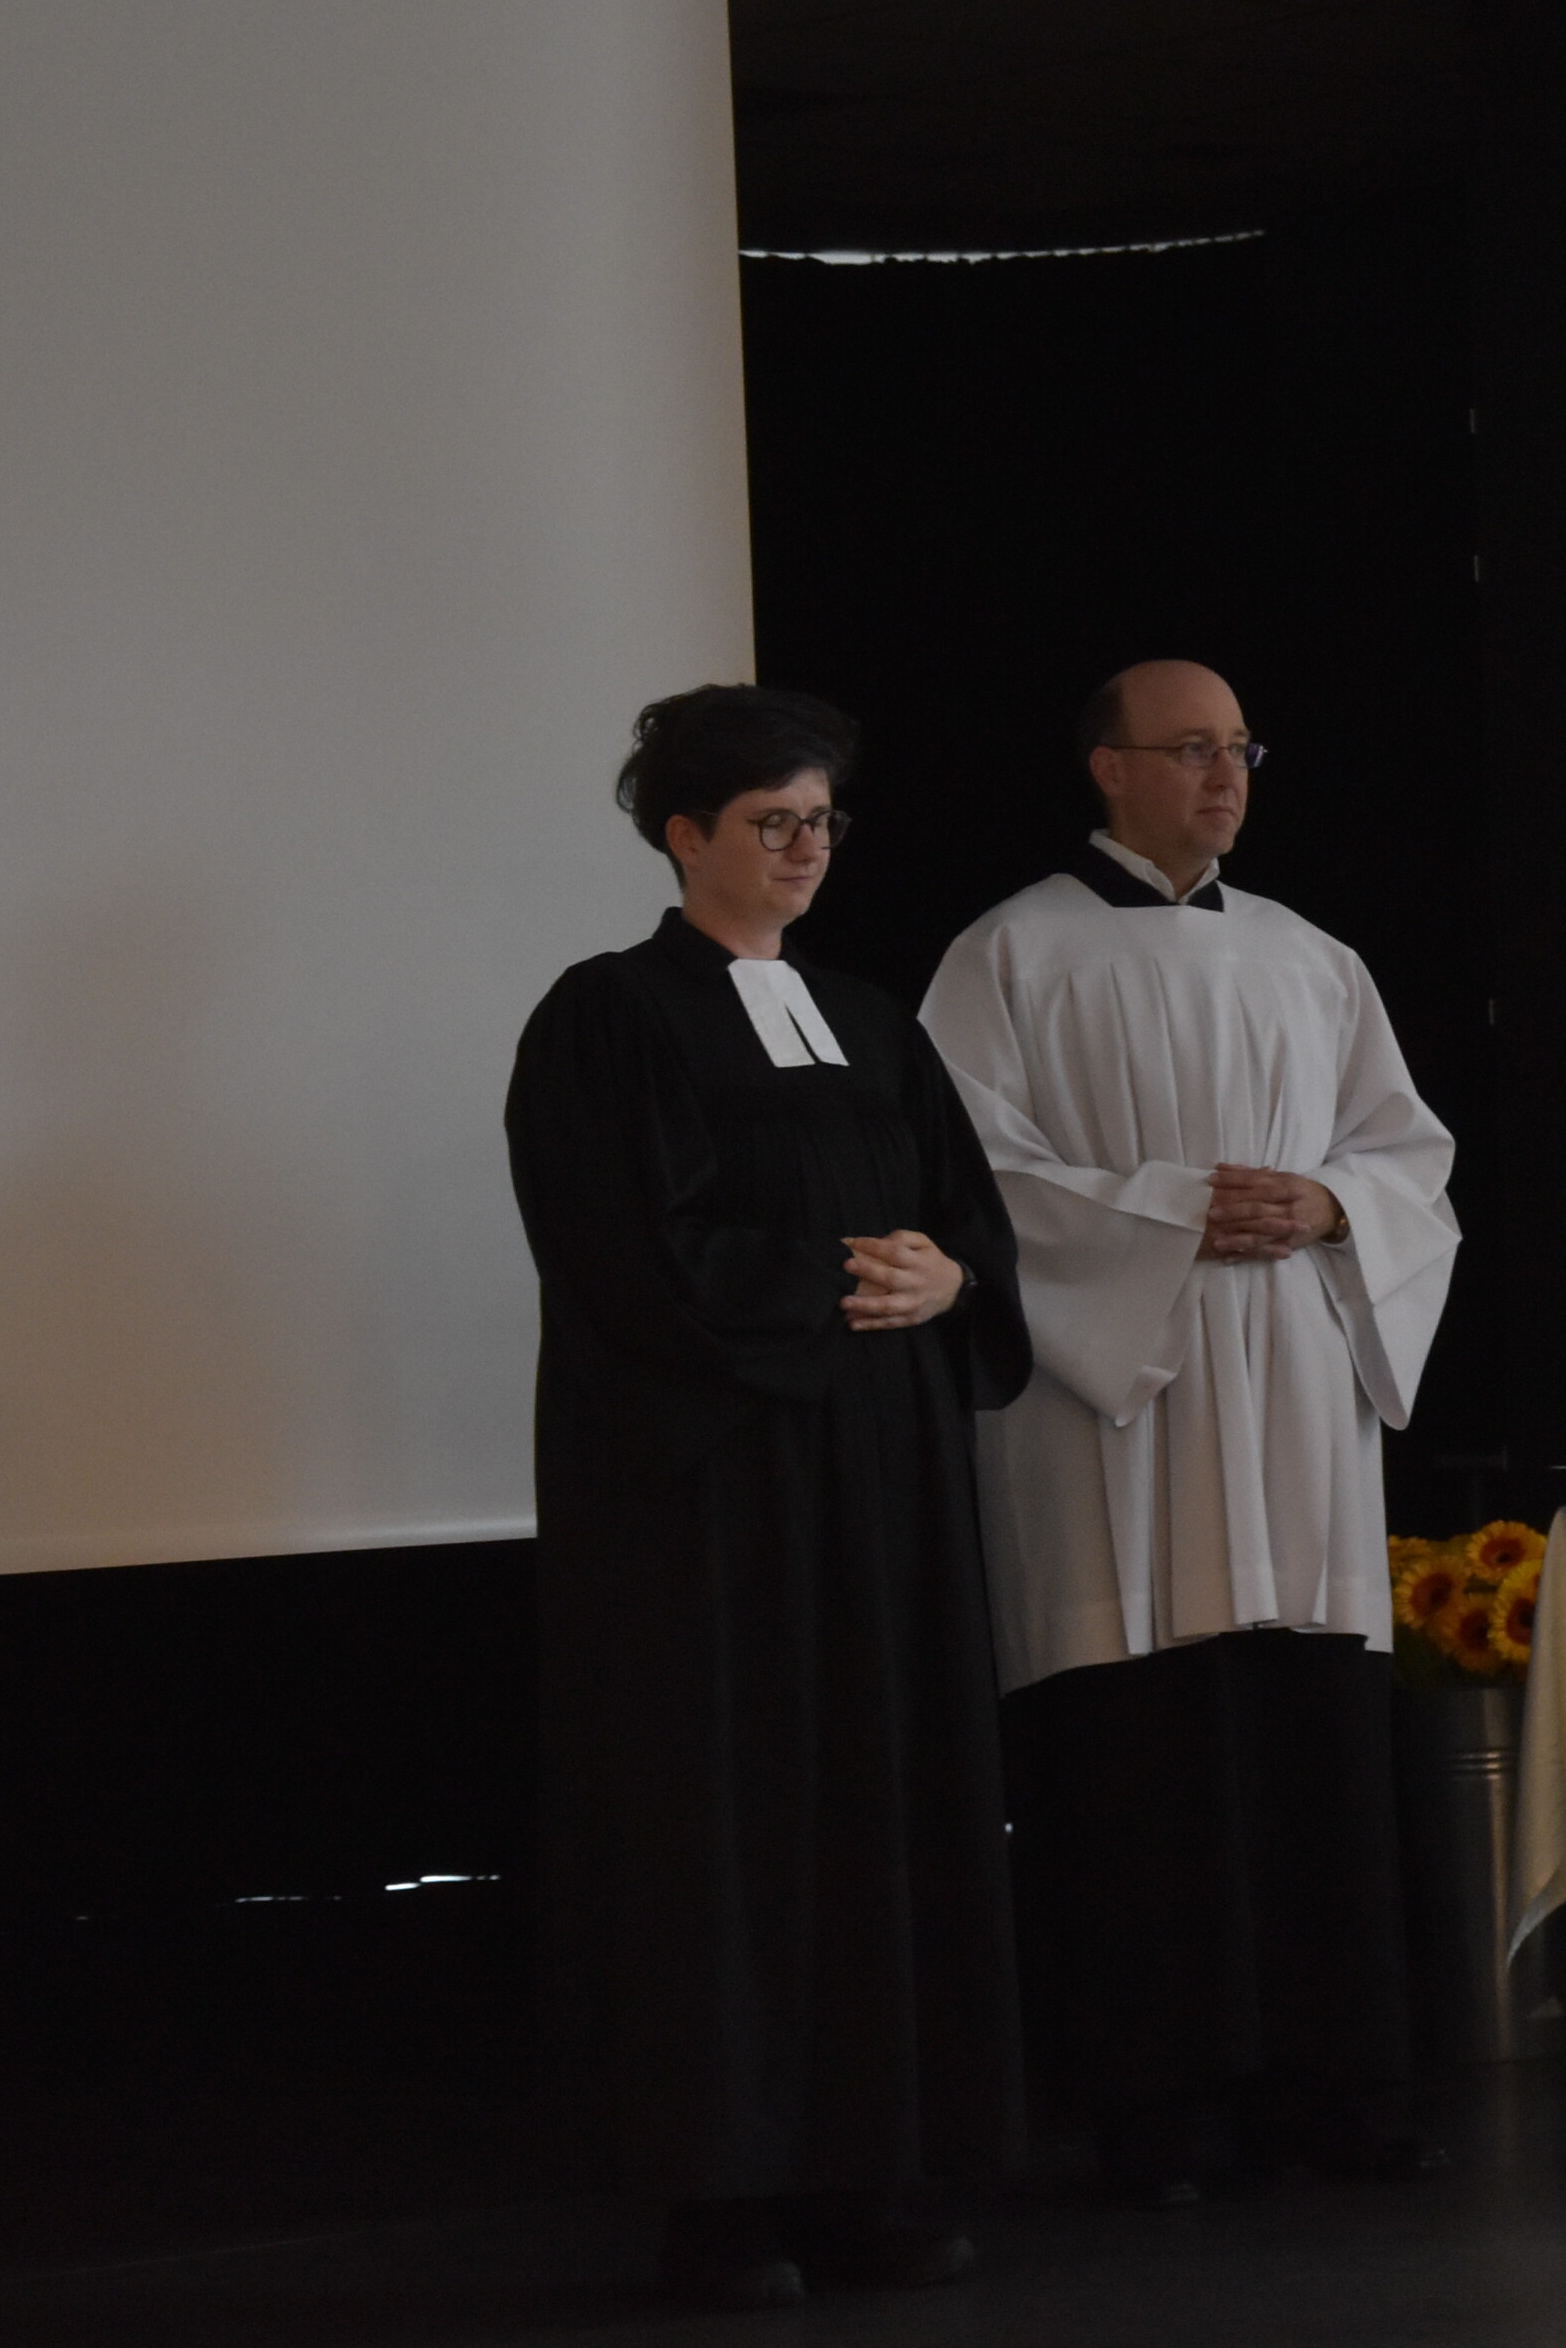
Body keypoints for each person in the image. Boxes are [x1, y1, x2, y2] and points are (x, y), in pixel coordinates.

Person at [503, 686, 1035, 2311]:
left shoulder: (870, 1018)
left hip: (882, 1488)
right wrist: (833, 1281)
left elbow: (967, 1220)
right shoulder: (607, 1018)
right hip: (715, 1503)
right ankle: (721, 2202)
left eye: (822, 821)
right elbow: (626, 1251)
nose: (807, 850)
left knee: (880, 1804)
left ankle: (871, 2175)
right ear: (685, 836)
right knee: (726, 1827)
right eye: (772, 823)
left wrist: (950, 1278)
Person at [917, 660, 1463, 2202]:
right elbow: (968, 1173)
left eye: (1240, 750)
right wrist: (1165, 1217)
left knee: (1308, 1745)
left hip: (1292, 1384)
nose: (1226, 777)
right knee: (1143, 1755)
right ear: (1108, 766)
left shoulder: (1310, 956)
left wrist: (1331, 1204)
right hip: (1119, 1401)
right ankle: (1156, 2104)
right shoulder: (1010, 954)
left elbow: (1407, 1155)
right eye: (1191, 750)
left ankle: (1337, 2087)